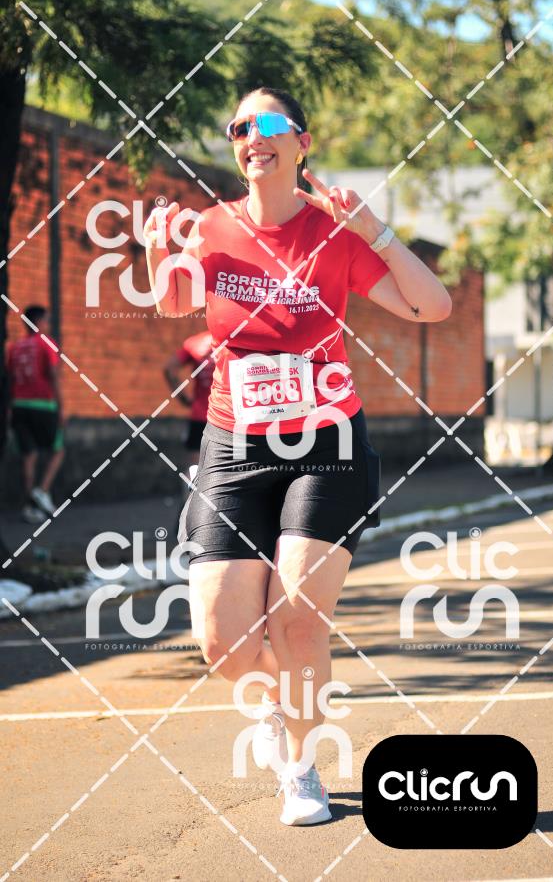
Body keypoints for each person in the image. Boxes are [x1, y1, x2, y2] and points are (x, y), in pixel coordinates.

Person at [144, 87, 451, 826]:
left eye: (270, 123)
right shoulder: (212, 228)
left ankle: (301, 767)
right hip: (234, 446)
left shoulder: (334, 231)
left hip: (327, 445)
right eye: (240, 127)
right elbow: (173, 303)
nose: (254, 135)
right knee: (222, 643)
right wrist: (159, 249)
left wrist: (375, 231)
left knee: (299, 623)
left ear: (301, 142)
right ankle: (283, 703)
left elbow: (432, 305)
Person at [6, 305, 65, 523]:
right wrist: (61, 407)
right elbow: (53, 375)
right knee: (57, 450)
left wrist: (10, 408)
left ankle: (30, 506)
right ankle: (42, 491)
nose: (48, 324)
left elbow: (10, 379)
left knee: (28, 456)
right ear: (39, 322)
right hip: (43, 406)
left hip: (19, 406)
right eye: (47, 320)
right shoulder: (46, 343)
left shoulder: (14, 348)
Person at [163, 330, 215, 536]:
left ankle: (186, 520)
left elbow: (169, 369)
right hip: (228, 419)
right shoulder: (232, 339)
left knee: (194, 469)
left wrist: (183, 398)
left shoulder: (194, 343)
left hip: (199, 416)